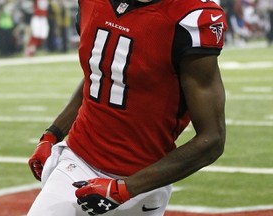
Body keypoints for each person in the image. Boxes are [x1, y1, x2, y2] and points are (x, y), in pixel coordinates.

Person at [27, 0, 227, 215]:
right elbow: (102, 73)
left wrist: (124, 189)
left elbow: (212, 140)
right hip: (78, 162)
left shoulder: (190, 17)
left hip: (144, 183)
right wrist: (52, 134)